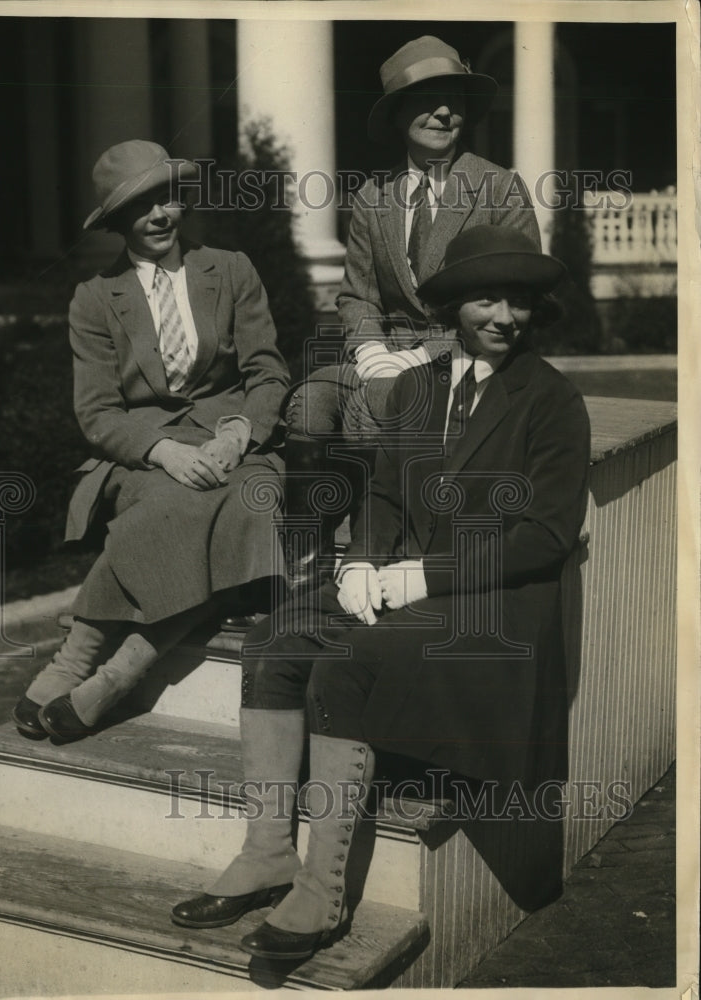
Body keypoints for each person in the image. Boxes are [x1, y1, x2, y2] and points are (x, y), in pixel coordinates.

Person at [171, 225, 591, 961]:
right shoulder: (414, 387)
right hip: (411, 589)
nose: (504, 317)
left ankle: (322, 893)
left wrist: (418, 575)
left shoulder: (550, 399)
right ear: (452, 306)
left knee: (347, 659)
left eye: (519, 303)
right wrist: (362, 563)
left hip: (495, 607)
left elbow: (544, 537)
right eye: (486, 298)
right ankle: (268, 849)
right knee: (275, 639)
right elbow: (387, 502)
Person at [12, 141, 290, 743]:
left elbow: (268, 373)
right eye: (141, 207)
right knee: (173, 502)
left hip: (233, 440)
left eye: (167, 198)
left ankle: (112, 673)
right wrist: (166, 451)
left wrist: (239, 432)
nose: (161, 215)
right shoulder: (94, 298)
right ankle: (79, 657)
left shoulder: (231, 269)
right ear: (117, 222)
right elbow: (98, 413)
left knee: (248, 500)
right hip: (144, 450)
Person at [284, 35, 541, 584]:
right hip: (383, 356)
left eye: (454, 100)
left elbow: (515, 300)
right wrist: (372, 347)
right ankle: (306, 559)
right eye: (427, 100)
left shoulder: (499, 188)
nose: (445, 112)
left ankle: (379, 554)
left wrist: (425, 354)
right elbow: (356, 294)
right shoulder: (373, 197)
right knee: (308, 402)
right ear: (397, 113)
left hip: (472, 359)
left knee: (377, 404)